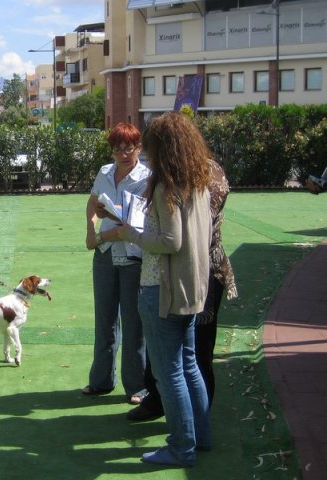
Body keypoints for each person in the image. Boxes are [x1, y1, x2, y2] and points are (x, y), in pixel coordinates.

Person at [105, 112, 212, 467]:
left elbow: (170, 240)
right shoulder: (197, 181)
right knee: (189, 364)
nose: (146, 153)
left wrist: (129, 232)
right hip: (191, 287)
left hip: (163, 289)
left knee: (171, 373)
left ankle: (182, 447)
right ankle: (201, 436)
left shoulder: (166, 186)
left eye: (149, 147)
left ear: (161, 148)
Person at [127, 159, 238, 422]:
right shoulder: (176, 173)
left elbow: (177, 236)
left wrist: (134, 234)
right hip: (179, 269)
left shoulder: (200, 174)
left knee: (192, 354)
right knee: (171, 351)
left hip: (199, 269)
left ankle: (193, 422)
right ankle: (163, 403)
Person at [82, 123, 151, 404]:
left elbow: (135, 220)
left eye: (129, 148)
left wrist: (100, 235)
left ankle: (137, 386)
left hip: (133, 254)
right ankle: (100, 380)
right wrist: (91, 225)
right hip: (105, 254)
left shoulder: (148, 177)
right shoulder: (105, 171)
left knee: (134, 323)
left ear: (139, 148)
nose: (123, 154)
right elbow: (93, 202)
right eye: (117, 149)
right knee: (105, 319)